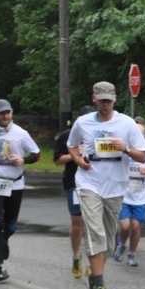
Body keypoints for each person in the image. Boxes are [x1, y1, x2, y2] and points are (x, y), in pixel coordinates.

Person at [66, 81, 145, 289]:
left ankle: (94, 272)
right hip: (88, 183)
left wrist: (125, 148)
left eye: (109, 100)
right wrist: (77, 159)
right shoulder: (83, 122)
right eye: (101, 100)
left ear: (115, 100)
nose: (105, 104)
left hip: (115, 187)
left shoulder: (127, 124)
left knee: (109, 243)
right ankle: (99, 284)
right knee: (95, 232)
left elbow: (142, 155)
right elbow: (72, 145)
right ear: (94, 99)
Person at [0, 98, 41, 283]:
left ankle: (4, 240)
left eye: (8, 112)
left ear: (12, 113)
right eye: (1, 113)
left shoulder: (21, 133)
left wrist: (24, 160)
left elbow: (36, 155)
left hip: (15, 183)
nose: (5, 116)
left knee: (10, 226)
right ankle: (0, 267)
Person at [113, 123, 145, 267]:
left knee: (135, 227)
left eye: (141, 134)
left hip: (140, 197)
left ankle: (132, 254)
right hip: (123, 195)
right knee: (124, 226)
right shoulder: (122, 150)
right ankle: (122, 244)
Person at [54, 105, 94, 277]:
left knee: (93, 224)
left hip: (95, 184)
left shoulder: (99, 135)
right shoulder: (67, 136)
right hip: (74, 183)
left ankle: (93, 261)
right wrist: (74, 155)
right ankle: (76, 257)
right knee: (77, 224)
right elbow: (57, 160)